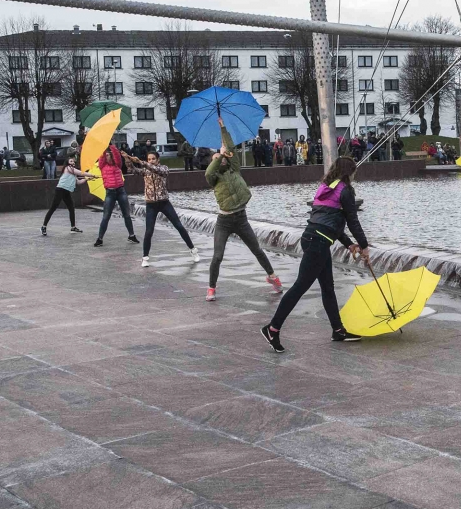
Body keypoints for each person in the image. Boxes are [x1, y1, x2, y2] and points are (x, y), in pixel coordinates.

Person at [261, 157, 370, 353]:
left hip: (313, 238)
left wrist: (349, 244)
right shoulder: (345, 190)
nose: (354, 176)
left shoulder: (326, 187)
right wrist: (364, 246)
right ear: (349, 172)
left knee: (328, 287)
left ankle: (338, 331)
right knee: (300, 287)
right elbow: (352, 221)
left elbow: (329, 221)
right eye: (354, 172)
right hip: (318, 243)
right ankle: (272, 329)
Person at [205, 120, 281, 301]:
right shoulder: (214, 178)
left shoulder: (234, 169)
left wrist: (223, 128)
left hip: (241, 218)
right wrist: (217, 157)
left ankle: (272, 276)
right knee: (217, 256)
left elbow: (231, 148)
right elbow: (208, 173)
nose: (221, 159)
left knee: (257, 250)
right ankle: (211, 288)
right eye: (216, 159)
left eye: (223, 158)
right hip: (224, 222)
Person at [128, 150, 200, 267]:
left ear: (158, 160)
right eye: (149, 159)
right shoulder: (145, 170)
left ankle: (193, 250)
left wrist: (141, 162)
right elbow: (133, 170)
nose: (151, 161)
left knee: (179, 226)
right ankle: (145, 258)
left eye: (153, 159)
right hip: (151, 204)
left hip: (164, 203)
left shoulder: (164, 169)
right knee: (149, 231)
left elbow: (157, 170)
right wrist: (128, 159)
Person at [93, 144, 138, 247]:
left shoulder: (117, 164)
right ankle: (100, 239)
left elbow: (117, 156)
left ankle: (131, 235)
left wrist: (112, 146)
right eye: (106, 155)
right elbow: (101, 158)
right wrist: (104, 149)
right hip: (110, 193)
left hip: (121, 191)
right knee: (106, 216)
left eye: (109, 155)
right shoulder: (102, 166)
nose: (107, 156)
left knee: (127, 214)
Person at [42, 156, 94, 235]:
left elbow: (78, 182)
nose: (73, 162)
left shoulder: (73, 172)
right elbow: (81, 173)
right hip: (60, 190)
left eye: (73, 161)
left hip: (66, 191)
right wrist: (92, 175)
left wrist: (87, 179)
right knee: (53, 208)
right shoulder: (68, 168)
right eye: (71, 161)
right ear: (67, 163)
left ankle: (73, 227)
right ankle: (44, 226)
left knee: (71, 208)